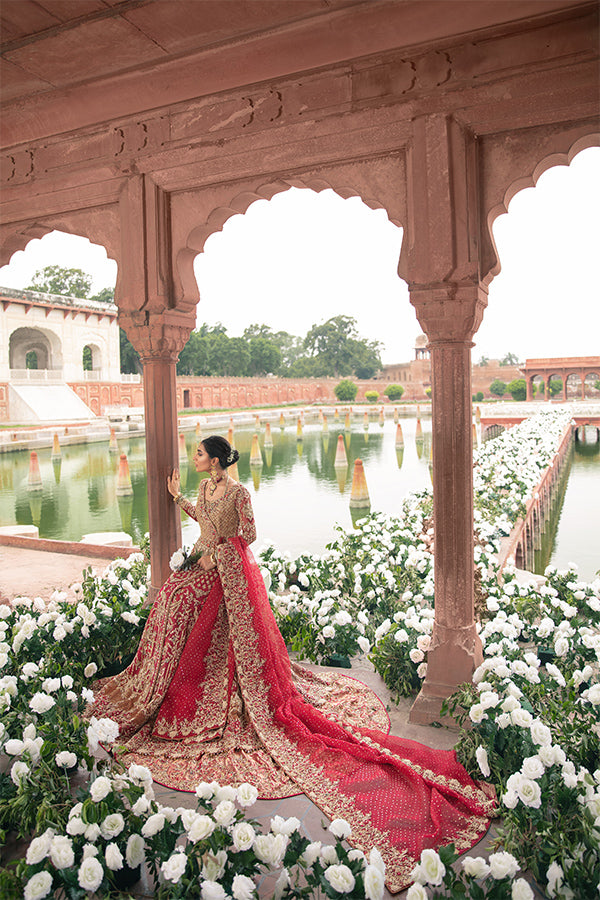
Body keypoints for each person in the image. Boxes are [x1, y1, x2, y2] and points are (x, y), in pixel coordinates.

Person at [89, 435, 495, 893]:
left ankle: (238, 696)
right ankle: (170, 689)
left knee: (231, 637)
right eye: (196, 455)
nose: (196, 459)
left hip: (231, 570)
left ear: (218, 458)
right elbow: (203, 521)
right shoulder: (203, 491)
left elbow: (250, 534)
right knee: (175, 599)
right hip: (204, 561)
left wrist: (219, 550)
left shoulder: (240, 493)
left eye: (201, 454)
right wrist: (179, 500)